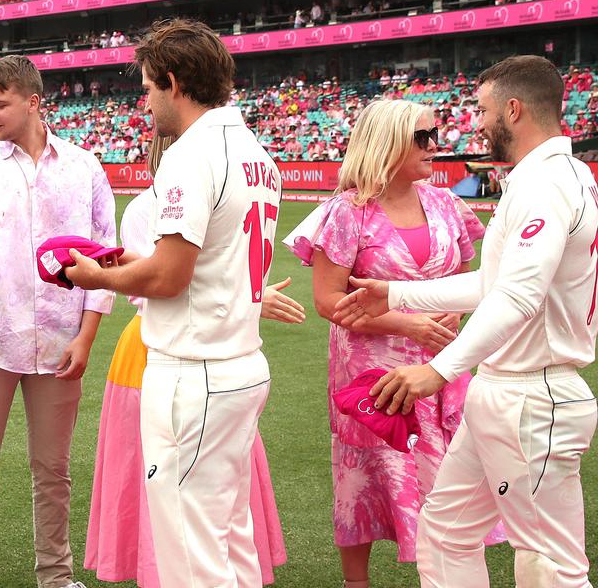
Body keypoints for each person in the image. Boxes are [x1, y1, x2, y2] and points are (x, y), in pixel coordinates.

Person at [336, 56, 598, 588]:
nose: (474, 123)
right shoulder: (556, 176)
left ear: (513, 109)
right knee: (447, 531)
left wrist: (437, 370)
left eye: (482, 110)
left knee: (550, 563)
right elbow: (493, 284)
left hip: (530, 395)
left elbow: (517, 297)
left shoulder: (544, 184)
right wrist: (397, 291)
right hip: (509, 391)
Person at [64, 18, 281, 587]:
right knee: (228, 537)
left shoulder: (191, 154)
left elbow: (169, 276)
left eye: (148, 86)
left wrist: (96, 277)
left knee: (189, 550)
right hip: (237, 360)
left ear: (174, 80)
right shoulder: (257, 152)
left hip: (193, 368)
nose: (145, 99)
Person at [282, 99, 503, 588]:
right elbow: (327, 301)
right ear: (388, 143)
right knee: (367, 469)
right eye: (422, 138)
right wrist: (408, 325)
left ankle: (449, 571)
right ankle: (356, 583)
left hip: (443, 361)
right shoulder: (347, 211)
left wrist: (451, 314)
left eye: (435, 133)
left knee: (448, 474)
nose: (435, 146)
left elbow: (465, 280)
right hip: (372, 370)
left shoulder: (446, 202)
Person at [85, 133, 299, 587]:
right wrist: (249, 300)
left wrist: (98, 275)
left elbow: (167, 280)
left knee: (192, 522)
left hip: (191, 355)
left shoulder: (182, 177)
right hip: (211, 351)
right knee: (212, 511)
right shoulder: (249, 162)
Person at [0, 56, 116, 588]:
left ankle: (56, 577)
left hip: (59, 343)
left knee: (54, 472)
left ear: (33, 101)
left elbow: (107, 261)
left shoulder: (85, 168)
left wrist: (87, 337)